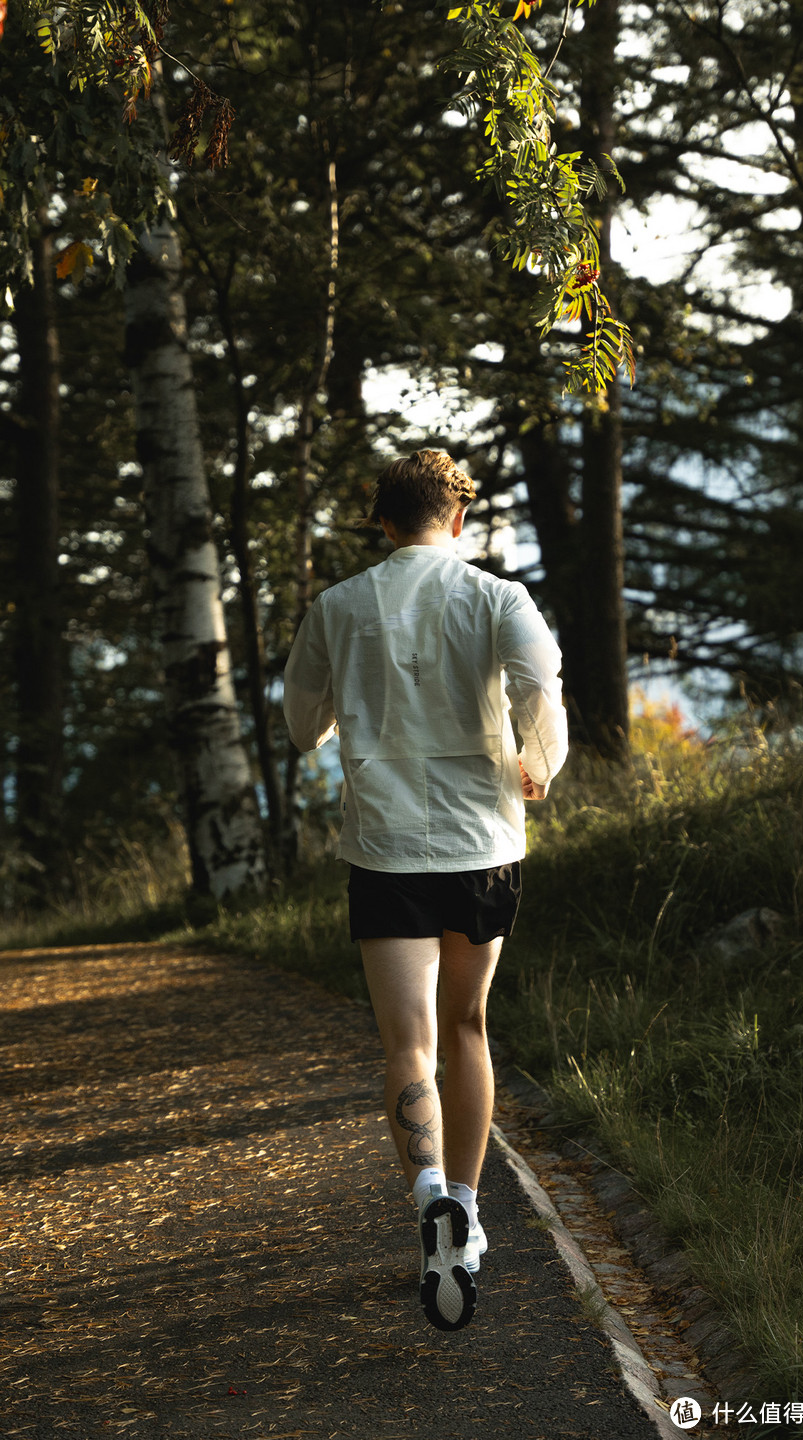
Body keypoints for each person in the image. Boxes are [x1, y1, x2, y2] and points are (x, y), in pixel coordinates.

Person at [282, 449, 568, 1332]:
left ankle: (428, 1191)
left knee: (407, 1044)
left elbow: (301, 722)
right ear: (458, 517)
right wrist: (537, 764)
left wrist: (345, 717)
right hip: (481, 841)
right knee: (469, 1025)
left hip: (387, 846)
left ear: (382, 520)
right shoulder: (498, 598)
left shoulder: (338, 607)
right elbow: (540, 692)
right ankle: (471, 1214)